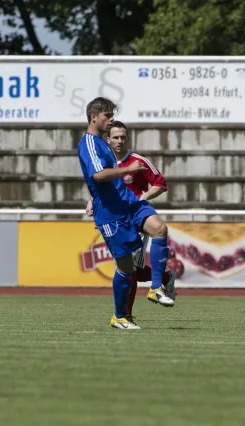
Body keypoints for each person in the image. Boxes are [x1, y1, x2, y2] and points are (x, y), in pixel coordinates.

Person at [77, 97, 175, 330]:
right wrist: (127, 170)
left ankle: (156, 288)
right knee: (127, 269)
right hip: (111, 212)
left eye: (113, 116)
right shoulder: (89, 143)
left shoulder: (102, 143)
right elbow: (97, 176)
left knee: (159, 229)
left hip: (128, 202)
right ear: (93, 117)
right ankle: (120, 317)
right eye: (107, 116)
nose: (111, 120)